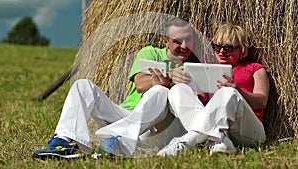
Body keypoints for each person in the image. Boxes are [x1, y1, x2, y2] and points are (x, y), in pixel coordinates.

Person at [33, 17, 200, 159]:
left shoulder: (196, 69)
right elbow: (141, 84)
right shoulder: (151, 53)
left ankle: (121, 141)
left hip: (155, 129)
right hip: (125, 115)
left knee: (160, 91)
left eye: (188, 40)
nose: (184, 46)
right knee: (82, 85)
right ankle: (66, 141)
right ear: (166, 40)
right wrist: (169, 77)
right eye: (177, 41)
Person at [157, 23, 270, 156]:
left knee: (228, 92)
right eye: (218, 47)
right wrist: (201, 98)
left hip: (247, 131)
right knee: (177, 90)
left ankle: (187, 142)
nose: (222, 52)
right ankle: (220, 141)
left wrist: (238, 91)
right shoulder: (206, 69)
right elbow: (199, 108)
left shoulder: (255, 68)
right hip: (214, 128)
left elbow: (261, 101)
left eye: (228, 48)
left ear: (242, 50)